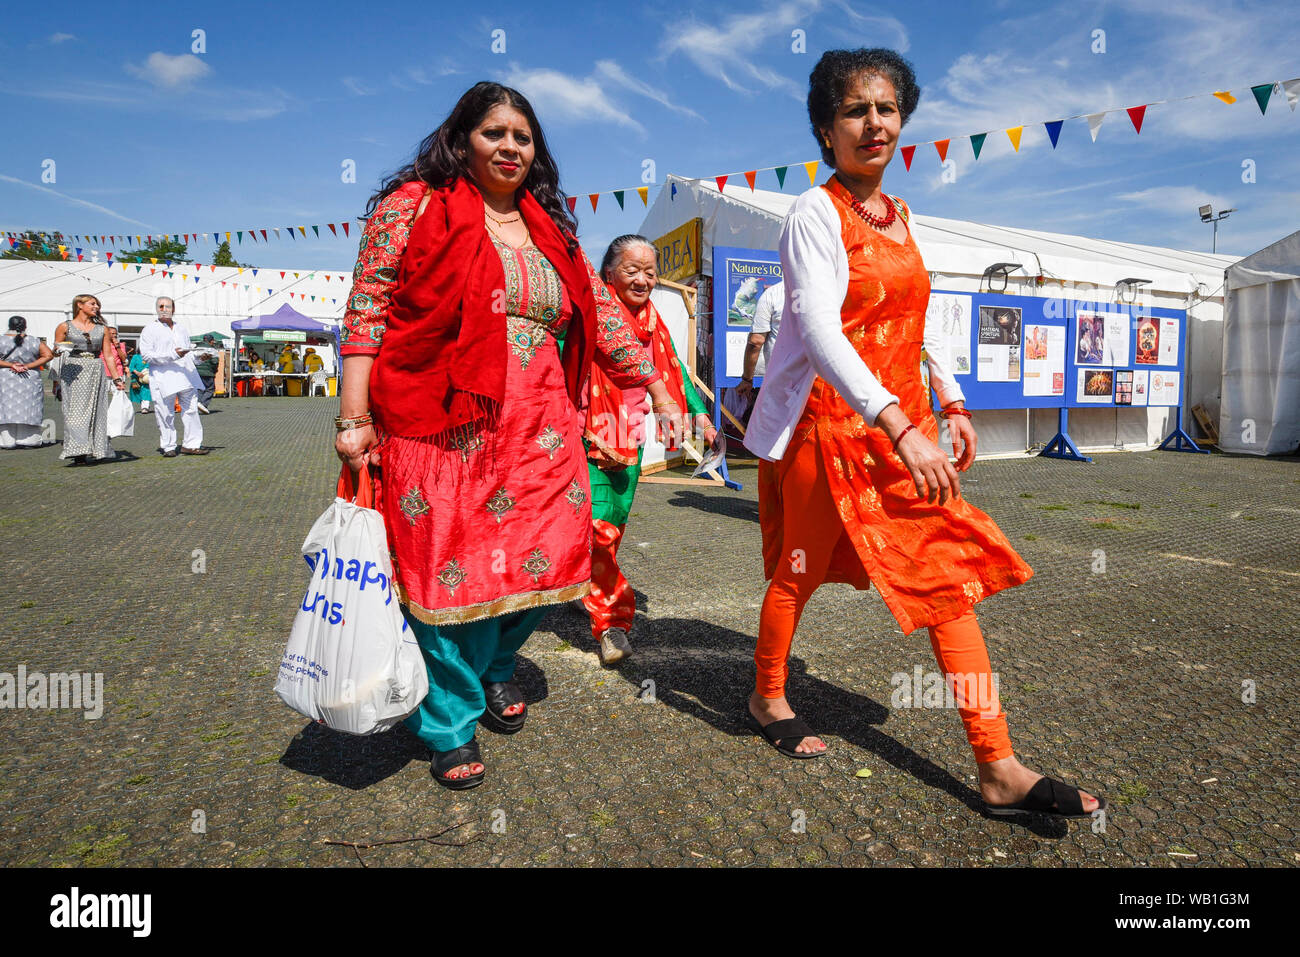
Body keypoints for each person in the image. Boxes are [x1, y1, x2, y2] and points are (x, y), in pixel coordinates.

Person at [743, 48, 1105, 819]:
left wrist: (954, 400)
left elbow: (921, 320)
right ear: (825, 128)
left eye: (886, 108)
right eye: (854, 110)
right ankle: (767, 694)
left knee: (947, 580)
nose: (873, 122)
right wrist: (900, 423)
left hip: (902, 427)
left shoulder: (901, 214)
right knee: (799, 570)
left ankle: (997, 763)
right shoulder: (815, 212)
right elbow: (819, 328)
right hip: (831, 428)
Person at [335, 81, 684, 790]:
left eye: (523, 137)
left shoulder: (549, 229)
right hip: (441, 422)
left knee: (549, 564)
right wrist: (354, 417)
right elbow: (367, 313)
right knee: (444, 576)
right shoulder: (415, 208)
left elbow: (605, 319)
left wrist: (657, 387)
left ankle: (496, 667)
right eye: (495, 132)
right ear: (462, 138)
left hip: (543, 428)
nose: (511, 146)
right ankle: (450, 722)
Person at [582, 234, 716, 665]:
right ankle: (609, 617)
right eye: (631, 270)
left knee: (610, 532)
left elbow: (673, 366)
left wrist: (699, 416)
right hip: (581, 435)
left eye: (650, 272)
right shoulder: (588, 313)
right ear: (609, 274)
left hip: (630, 437)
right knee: (592, 532)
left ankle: (605, 615)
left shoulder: (653, 319)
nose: (642, 280)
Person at [54, 295, 125, 464]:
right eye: (92, 304)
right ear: (80, 305)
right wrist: (58, 349)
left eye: (97, 305)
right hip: (72, 368)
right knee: (74, 412)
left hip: (94, 368)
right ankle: (77, 450)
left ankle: (94, 448)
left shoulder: (102, 329)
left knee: (96, 410)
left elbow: (107, 355)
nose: (96, 307)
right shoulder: (65, 326)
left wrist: (117, 378)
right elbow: (55, 350)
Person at [138, 297, 208, 457]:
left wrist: (199, 358)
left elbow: (187, 353)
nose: (163, 309)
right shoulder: (149, 329)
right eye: (160, 306)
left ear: (173, 309)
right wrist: (172, 355)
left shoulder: (181, 328)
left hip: (186, 375)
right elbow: (147, 356)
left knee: (191, 410)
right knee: (165, 412)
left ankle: (191, 444)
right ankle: (168, 445)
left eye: (167, 306)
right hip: (164, 376)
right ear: (156, 309)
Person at [0, 316, 55, 448]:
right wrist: (29, 366)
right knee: (29, 408)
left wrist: (10, 365)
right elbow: (48, 355)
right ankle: (29, 440)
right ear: (25, 326)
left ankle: (6, 441)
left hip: (5, 378)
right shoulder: (34, 341)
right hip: (29, 378)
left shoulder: (1, 339)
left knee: (5, 409)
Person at [735, 278, 784, 420]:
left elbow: (756, 341)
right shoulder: (824, 292)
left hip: (781, 381)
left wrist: (747, 379)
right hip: (814, 380)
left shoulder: (774, 294)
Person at [193, 334, 220, 412]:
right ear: (211, 341)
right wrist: (214, 371)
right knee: (210, 389)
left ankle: (198, 403)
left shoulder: (197, 348)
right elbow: (215, 362)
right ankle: (203, 404)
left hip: (197, 372)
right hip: (208, 373)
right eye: (212, 341)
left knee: (200, 389)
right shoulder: (213, 350)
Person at [127, 344, 153, 412]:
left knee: (146, 391)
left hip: (145, 377)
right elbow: (131, 367)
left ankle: (145, 407)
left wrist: (145, 373)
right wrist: (137, 373)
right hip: (135, 378)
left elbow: (150, 366)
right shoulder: (135, 357)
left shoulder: (148, 357)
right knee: (138, 392)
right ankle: (143, 405)